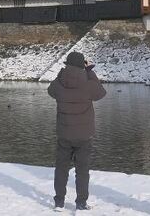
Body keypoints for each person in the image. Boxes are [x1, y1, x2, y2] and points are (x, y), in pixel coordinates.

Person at [47, 51, 106, 211]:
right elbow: (101, 92)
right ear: (82, 66)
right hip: (84, 135)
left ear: (67, 65)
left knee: (61, 168)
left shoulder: (60, 83)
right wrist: (90, 71)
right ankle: (81, 202)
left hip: (64, 134)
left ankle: (59, 202)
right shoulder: (87, 84)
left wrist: (62, 71)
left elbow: (50, 90)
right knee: (82, 171)